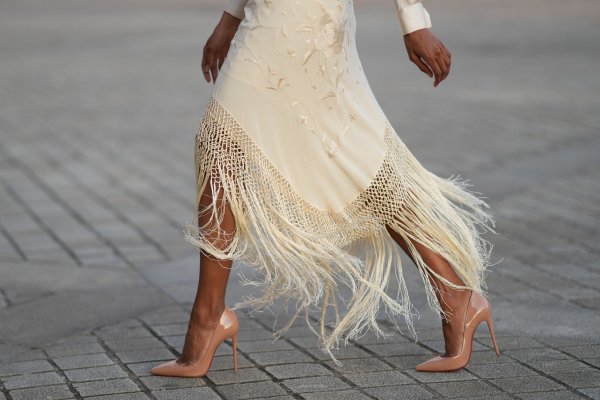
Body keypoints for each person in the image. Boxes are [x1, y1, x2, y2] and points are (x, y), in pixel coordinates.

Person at [151, 0, 501, 377]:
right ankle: (208, 316)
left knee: (363, 166)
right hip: (264, 16)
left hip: (315, 21)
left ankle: (455, 297)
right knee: (220, 145)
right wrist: (229, 19)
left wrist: (413, 19)